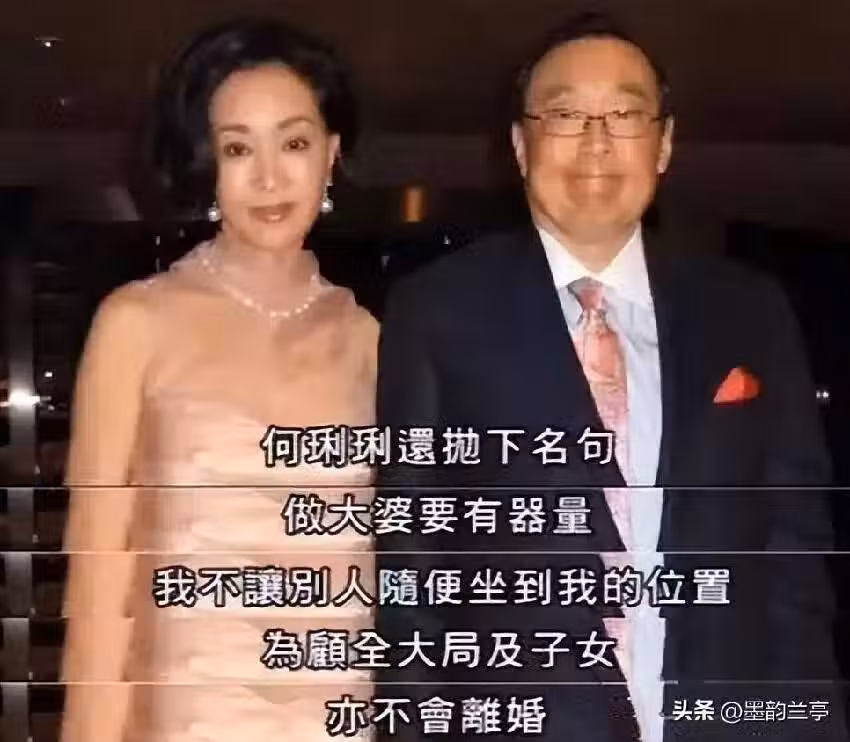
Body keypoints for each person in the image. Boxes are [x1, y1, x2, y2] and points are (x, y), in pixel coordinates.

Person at [376, 13, 844, 742]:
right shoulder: (437, 311)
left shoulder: (748, 310)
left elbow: (794, 560)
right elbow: (410, 566)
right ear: (520, 145)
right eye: (565, 115)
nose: (596, 141)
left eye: (625, 115)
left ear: (664, 143)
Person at [61, 18, 377, 742]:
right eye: (238, 148)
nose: (268, 178)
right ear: (208, 165)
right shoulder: (136, 322)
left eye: (293, 143)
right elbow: (99, 595)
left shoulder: (370, 341)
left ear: (331, 154)